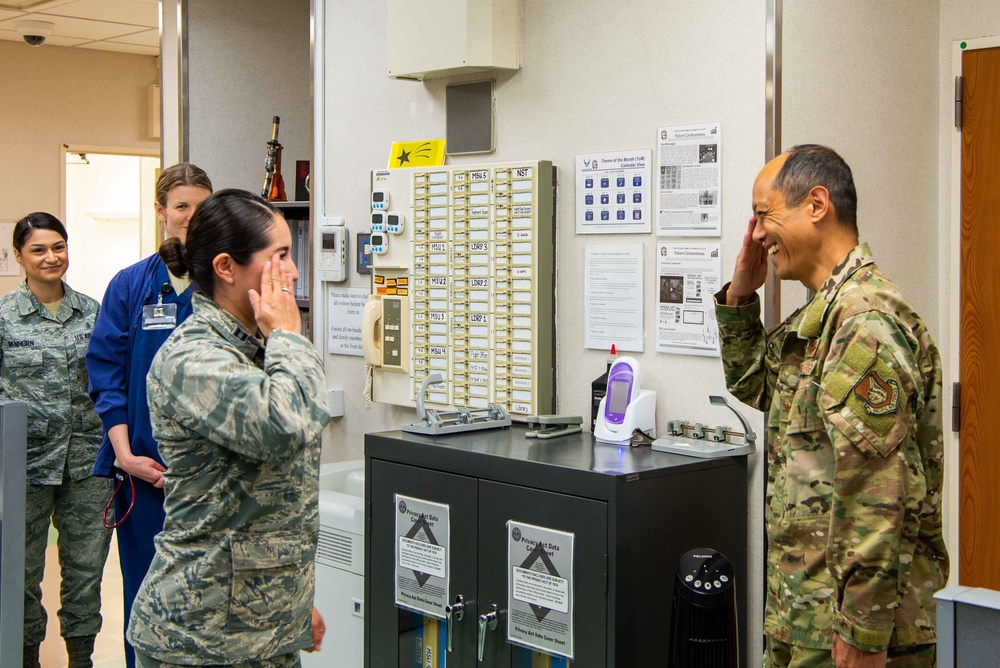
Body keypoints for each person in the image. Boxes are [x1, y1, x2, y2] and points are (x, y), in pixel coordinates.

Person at [714, 145, 948, 668]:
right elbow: (758, 386)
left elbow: (877, 497)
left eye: (763, 214)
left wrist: (862, 636)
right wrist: (739, 296)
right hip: (807, 621)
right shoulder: (824, 317)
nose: (756, 234)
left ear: (816, 205)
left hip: (851, 637)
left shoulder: (864, 323)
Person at [126, 189, 328, 666]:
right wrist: (287, 336)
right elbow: (284, 426)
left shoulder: (260, 349)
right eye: (279, 256)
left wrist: (293, 601)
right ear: (225, 267)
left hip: (263, 628)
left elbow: (269, 501)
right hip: (201, 640)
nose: (293, 272)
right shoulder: (194, 358)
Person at [85, 162, 212, 668]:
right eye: (182, 206)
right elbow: (106, 374)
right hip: (143, 475)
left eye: (202, 207)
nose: (192, 217)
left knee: (208, 604)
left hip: (209, 482)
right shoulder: (132, 285)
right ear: (161, 212)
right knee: (146, 599)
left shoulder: (226, 281)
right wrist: (125, 455)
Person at [0, 213, 112, 668]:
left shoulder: (92, 311)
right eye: (39, 250)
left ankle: (81, 659)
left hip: (87, 464)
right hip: (24, 465)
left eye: (59, 247)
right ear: (19, 257)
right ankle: (27, 657)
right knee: (22, 572)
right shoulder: (5, 317)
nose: (52, 257)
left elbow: (110, 379)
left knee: (85, 572)